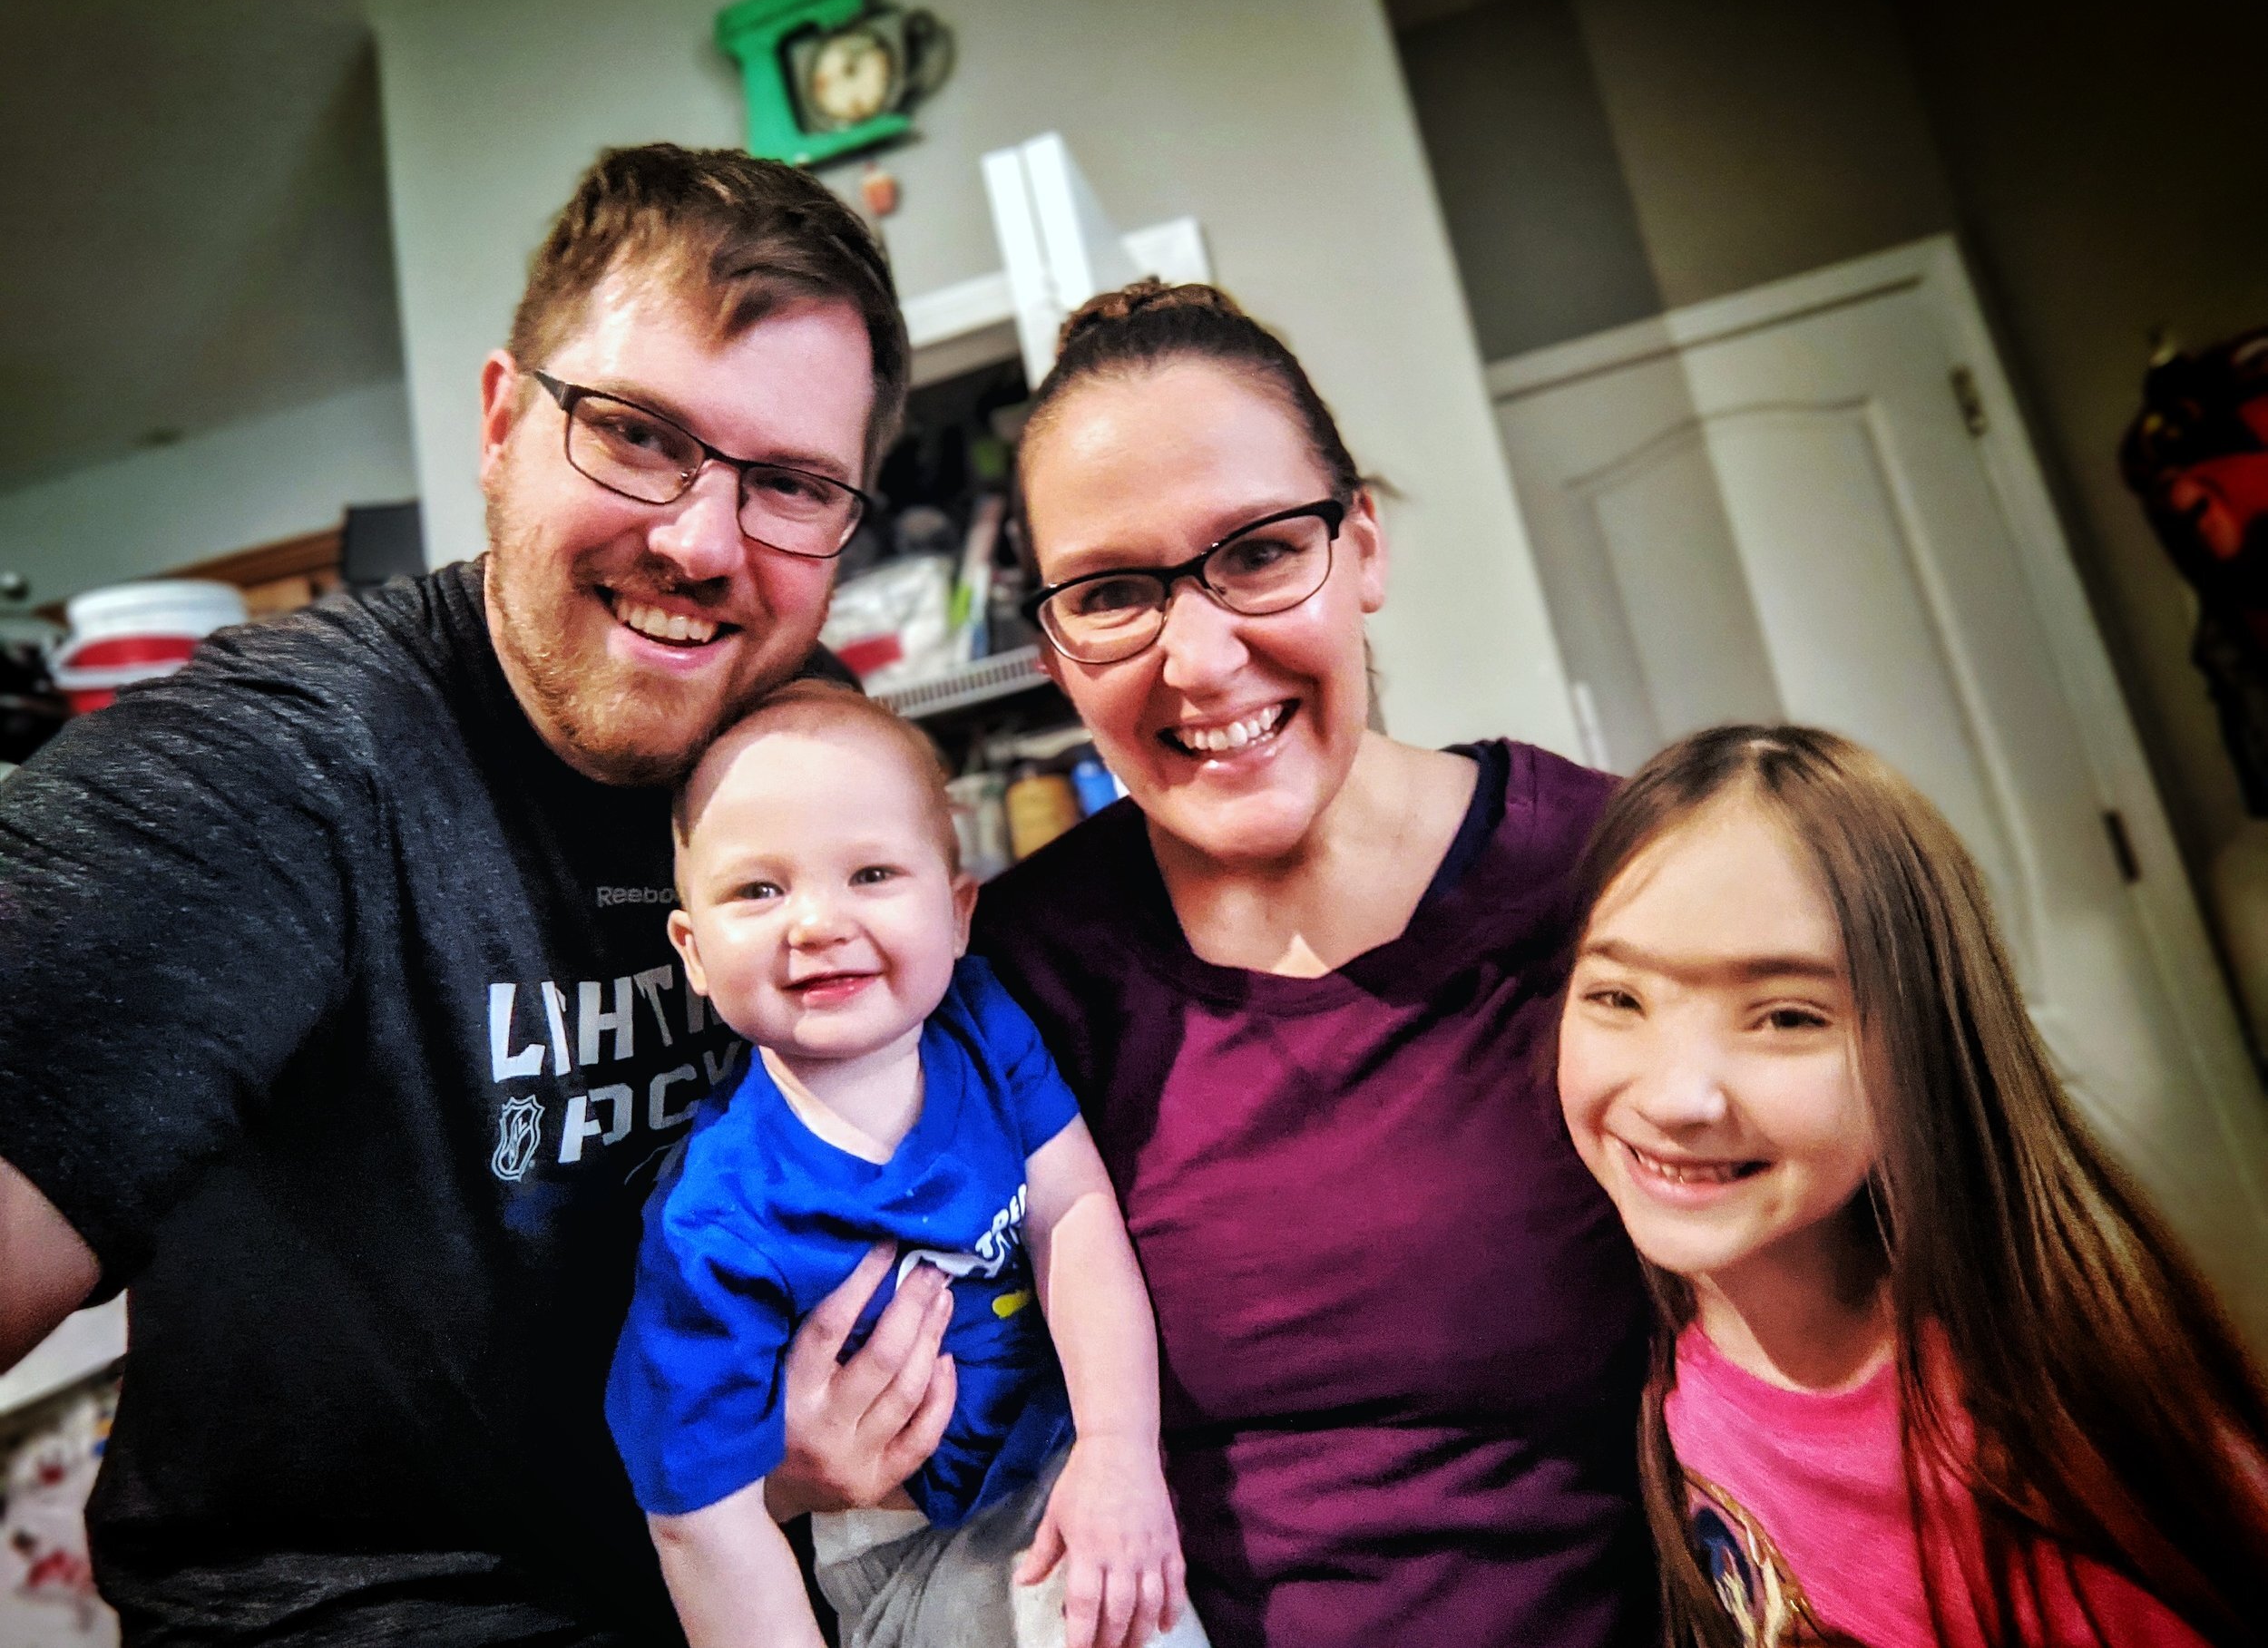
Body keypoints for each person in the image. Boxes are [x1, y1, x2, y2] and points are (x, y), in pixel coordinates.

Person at [0, 143, 953, 1644]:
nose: (704, 544)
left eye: (790, 485)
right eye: (640, 435)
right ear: (505, 422)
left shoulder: (793, 728)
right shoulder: (291, 769)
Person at [950, 280, 1658, 1646]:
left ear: (1365, 545)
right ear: (1053, 649)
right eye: (1111, 593)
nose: (1203, 659)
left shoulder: (1615, 872)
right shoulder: (1027, 974)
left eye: (1262, 552)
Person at [1555, 724, 2268, 1648]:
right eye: (1619, 997)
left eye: (1784, 1017)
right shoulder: (1651, 1345)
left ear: (1923, 1048)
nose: (1677, 1095)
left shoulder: (2028, 1450)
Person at [607, 680, 1201, 1648]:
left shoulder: (977, 1022)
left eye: (872, 874)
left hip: (1065, 1458)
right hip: (913, 1547)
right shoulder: (716, 1222)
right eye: (759, 890)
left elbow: (1074, 1210)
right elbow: (697, 1519)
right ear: (694, 952)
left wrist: (1119, 1450)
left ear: (958, 912)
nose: (815, 923)